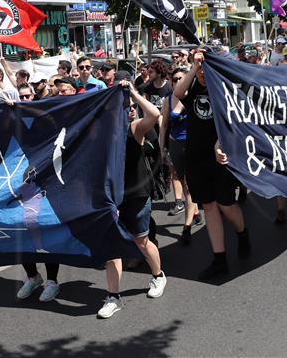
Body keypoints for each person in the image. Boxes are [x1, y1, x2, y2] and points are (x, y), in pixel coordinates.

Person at [173, 51, 249, 281]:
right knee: (209, 206)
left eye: (207, 69)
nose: (204, 74)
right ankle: (220, 259)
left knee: (226, 204)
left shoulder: (225, 92)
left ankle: (242, 233)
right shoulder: (193, 87)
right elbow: (177, 93)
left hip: (220, 156)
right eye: (201, 70)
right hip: (196, 157)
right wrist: (193, 68)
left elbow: (232, 123)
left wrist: (219, 145)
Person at [98, 80, 166, 319]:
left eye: (132, 106)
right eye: (125, 106)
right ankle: (113, 297)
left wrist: (134, 94)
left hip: (136, 195)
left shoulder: (134, 129)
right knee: (112, 247)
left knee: (141, 242)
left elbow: (155, 113)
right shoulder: (102, 135)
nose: (130, 109)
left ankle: (158, 276)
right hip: (111, 199)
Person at [158, 68, 199, 235]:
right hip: (175, 145)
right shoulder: (168, 100)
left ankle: (186, 227)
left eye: (181, 78)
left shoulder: (196, 96)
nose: (178, 81)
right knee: (181, 181)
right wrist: (162, 148)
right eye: (175, 79)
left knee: (189, 186)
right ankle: (195, 212)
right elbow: (164, 124)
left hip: (194, 144)